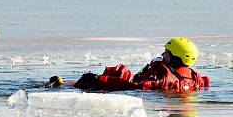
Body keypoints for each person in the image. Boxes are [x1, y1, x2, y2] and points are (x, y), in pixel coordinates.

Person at [67, 37, 210, 93]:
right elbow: (206, 82)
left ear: (176, 58)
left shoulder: (163, 77)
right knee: (121, 71)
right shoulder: (194, 77)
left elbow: (139, 87)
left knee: (109, 74)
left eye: (166, 53)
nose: (162, 55)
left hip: (137, 87)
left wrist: (100, 80)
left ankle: (65, 85)